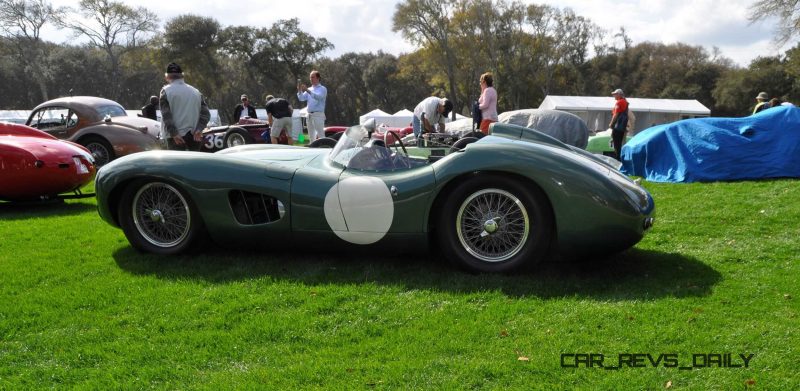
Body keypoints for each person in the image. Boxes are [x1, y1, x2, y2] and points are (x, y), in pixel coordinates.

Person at [159, 62, 210, 151]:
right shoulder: (196, 92)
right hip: (194, 136)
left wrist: (174, 133)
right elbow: (206, 114)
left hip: (175, 138)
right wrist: (199, 129)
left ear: (167, 77)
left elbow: (167, 116)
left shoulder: (165, 91)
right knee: (194, 164)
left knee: (177, 164)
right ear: (182, 76)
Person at [297, 70, 327, 142]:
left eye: (313, 77)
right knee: (311, 137)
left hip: (318, 115)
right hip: (309, 115)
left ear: (318, 78)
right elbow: (301, 98)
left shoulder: (323, 89)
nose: (311, 79)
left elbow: (318, 97)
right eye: (310, 77)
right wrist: (299, 90)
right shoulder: (309, 89)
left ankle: (324, 148)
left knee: (321, 135)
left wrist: (307, 90)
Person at [608, 88, 629, 160]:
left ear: (619, 95)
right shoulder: (625, 102)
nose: (614, 95)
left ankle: (617, 159)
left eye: (615, 94)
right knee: (619, 143)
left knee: (616, 144)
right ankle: (620, 158)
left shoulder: (619, 102)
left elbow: (616, 114)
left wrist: (611, 123)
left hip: (617, 126)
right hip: (622, 127)